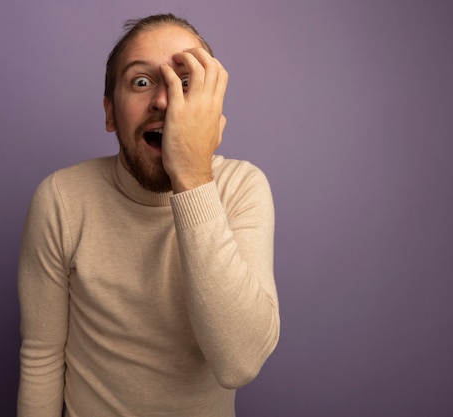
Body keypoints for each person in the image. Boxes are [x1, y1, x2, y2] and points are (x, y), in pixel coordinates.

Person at [17, 13, 280, 417]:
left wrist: (192, 175)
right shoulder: (61, 199)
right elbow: (41, 359)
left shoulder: (242, 188)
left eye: (185, 82)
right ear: (110, 114)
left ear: (209, 109)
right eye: (141, 82)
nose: (162, 100)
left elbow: (240, 363)